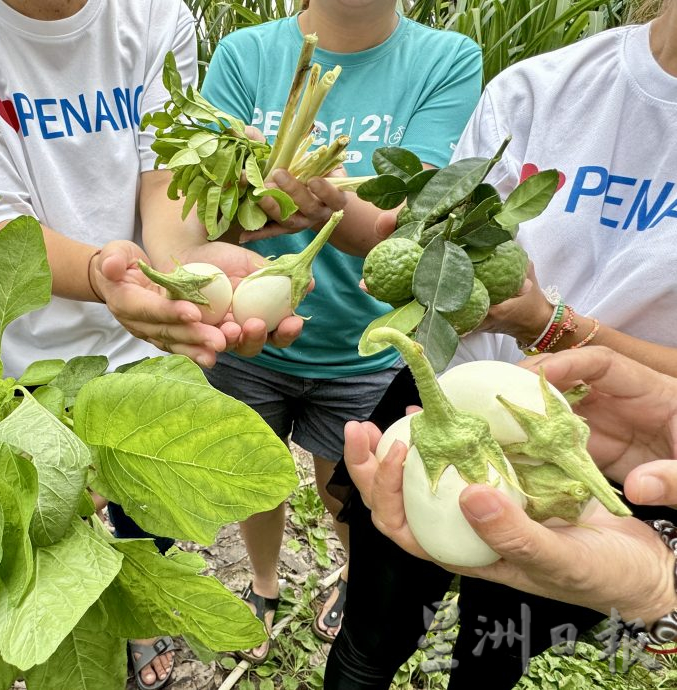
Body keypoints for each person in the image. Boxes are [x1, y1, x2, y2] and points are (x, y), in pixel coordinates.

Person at [0, 1, 304, 686]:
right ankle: (110, 632)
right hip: (26, 347)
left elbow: (164, 177)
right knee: (55, 524)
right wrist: (107, 277)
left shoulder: (157, 14)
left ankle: (140, 621)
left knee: (149, 512)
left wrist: (178, 279)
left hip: (146, 347)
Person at [325, 0, 677, 686]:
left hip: (602, 453)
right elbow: (434, 236)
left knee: (492, 656)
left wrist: (551, 324)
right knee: (372, 634)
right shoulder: (542, 88)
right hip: (444, 412)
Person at [180, 0, 482, 659]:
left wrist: (315, 200)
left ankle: (349, 570)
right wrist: (260, 204)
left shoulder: (446, 60)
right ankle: (263, 582)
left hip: (364, 348)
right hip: (249, 334)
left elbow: (407, 219)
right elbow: (207, 214)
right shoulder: (245, 56)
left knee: (344, 485)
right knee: (253, 475)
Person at [345, 345, 677, 647]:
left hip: (570, 434)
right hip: (559, 416)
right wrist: (659, 587)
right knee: (381, 621)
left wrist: (660, 588)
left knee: (500, 645)